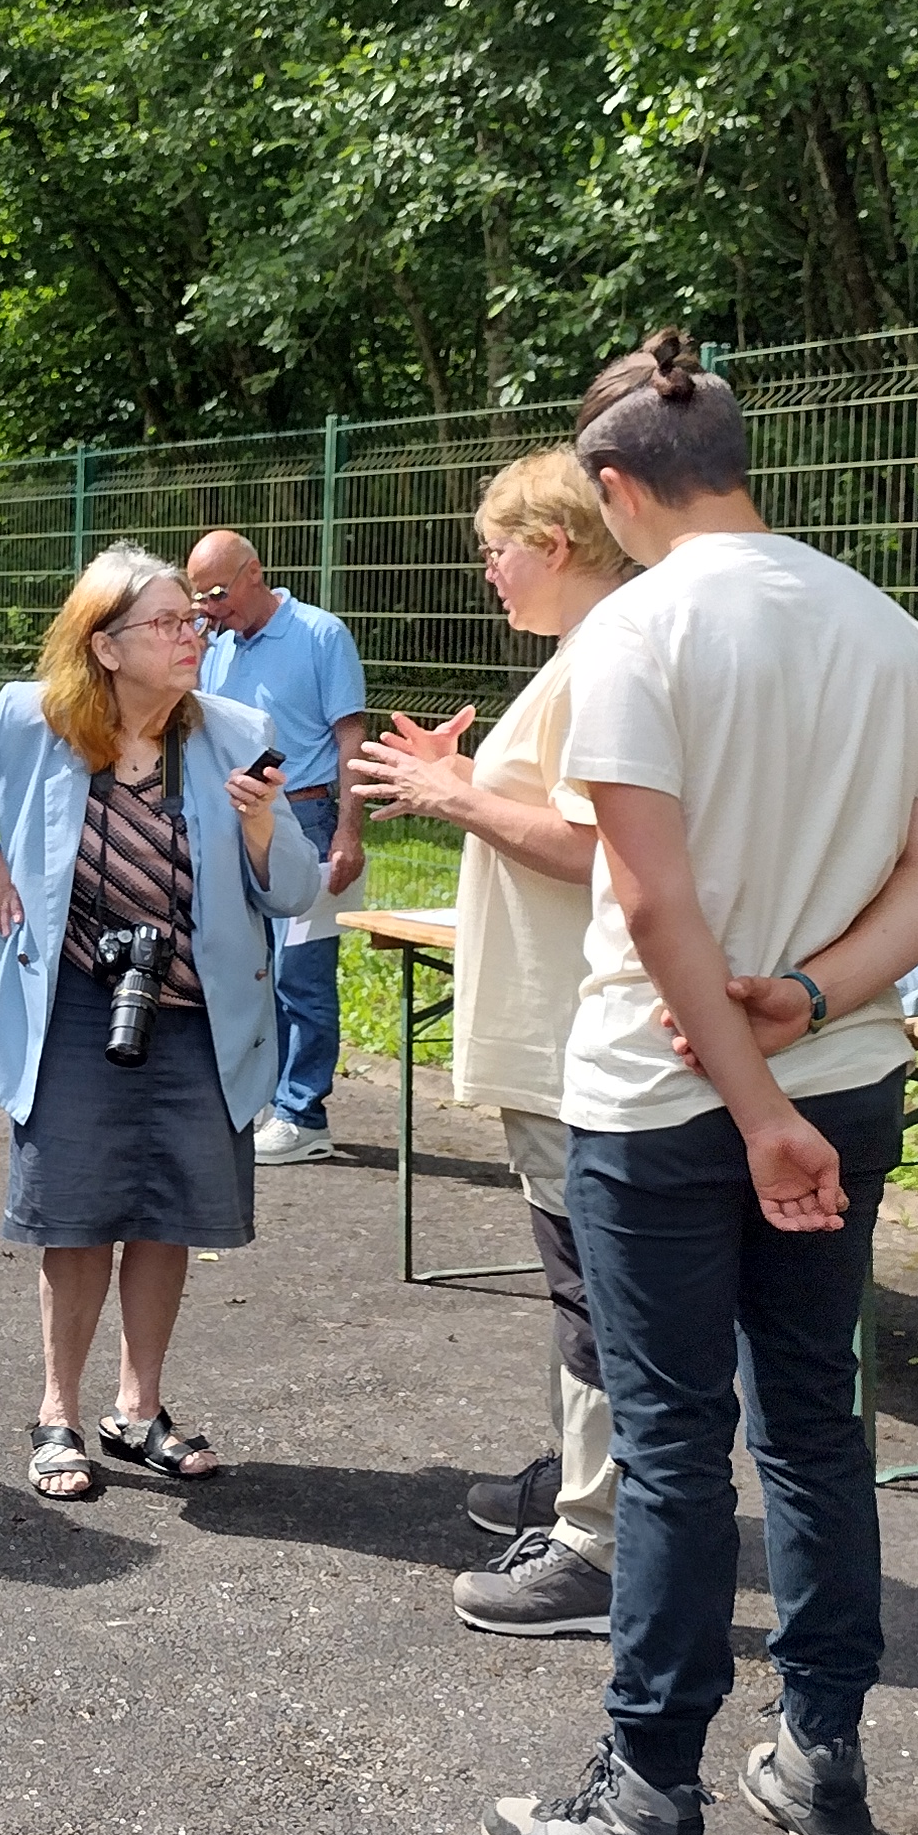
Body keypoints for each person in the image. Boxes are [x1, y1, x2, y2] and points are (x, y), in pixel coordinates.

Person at [480, 330, 918, 1835]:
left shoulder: (639, 636)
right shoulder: (889, 631)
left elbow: (650, 895)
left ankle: (650, 1800)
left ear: (619, 489)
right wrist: (816, 1002)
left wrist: (754, 1102)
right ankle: (821, 1761)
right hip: (843, 1079)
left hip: (669, 1107)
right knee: (820, 1431)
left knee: (679, 1443)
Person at [0, 546, 320, 1503]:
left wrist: (259, 826)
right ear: (106, 647)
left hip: (198, 1017)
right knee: (72, 1218)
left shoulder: (237, 730)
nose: (190, 635)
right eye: (166, 623)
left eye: (191, 621)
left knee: (169, 1214)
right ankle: (57, 1416)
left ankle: (138, 1409)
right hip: (77, 1009)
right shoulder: (31, 724)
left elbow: (294, 889)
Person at [344, 448, 632, 1641]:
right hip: (562, 1032)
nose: (488, 575)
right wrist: (461, 776)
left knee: (596, 1290)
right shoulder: (586, 655)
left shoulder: (608, 656)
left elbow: (602, 850)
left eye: (494, 552)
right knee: (586, 1284)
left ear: (555, 543)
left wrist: (453, 795)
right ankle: (581, 1486)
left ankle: (597, 1540)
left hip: (583, 1039)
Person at [189, 528, 367, 1165]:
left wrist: (350, 831)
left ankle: (303, 1112)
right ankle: (258, 1099)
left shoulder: (320, 635)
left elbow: (351, 738)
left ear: (254, 573)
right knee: (243, 963)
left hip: (311, 817)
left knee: (302, 974)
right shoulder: (217, 649)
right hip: (236, 820)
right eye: (198, 596)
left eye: (216, 592)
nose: (208, 607)